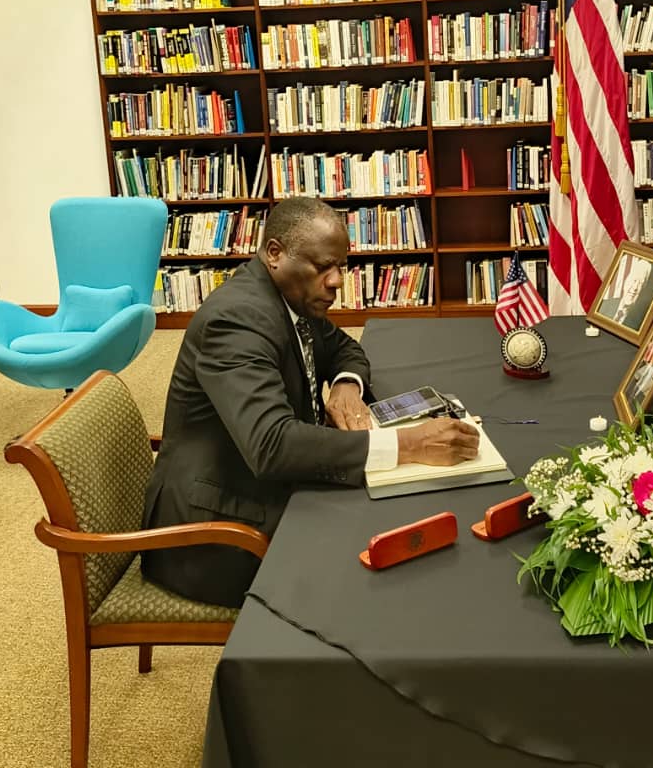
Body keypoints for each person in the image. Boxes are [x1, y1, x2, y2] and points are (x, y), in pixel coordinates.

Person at [142, 196, 479, 608]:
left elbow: (344, 349)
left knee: (401, 522)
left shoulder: (291, 296)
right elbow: (272, 445)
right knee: (383, 567)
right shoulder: (236, 321)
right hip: (214, 533)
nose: (336, 282)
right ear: (275, 253)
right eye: (323, 267)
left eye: (342, 267)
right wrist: (408, 444)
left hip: (263, 488)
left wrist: (346, 385)